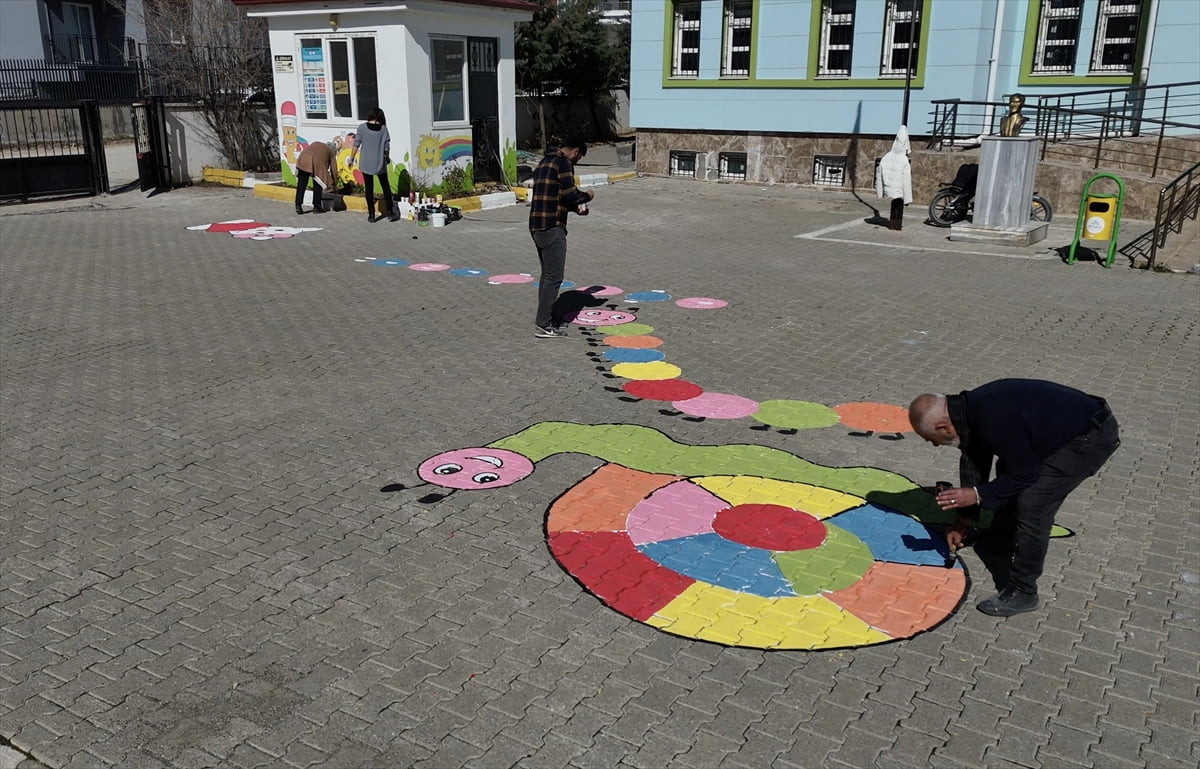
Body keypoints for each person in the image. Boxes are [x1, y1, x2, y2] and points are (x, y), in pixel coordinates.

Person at [908, 380, 1120, 617]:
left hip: (1090, 437)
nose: (935, 445)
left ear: (944, 427)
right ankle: (998, 540)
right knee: (1006, 473)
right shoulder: (969, 412)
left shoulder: (992, 418)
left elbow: (1026, 473)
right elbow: (975, 463)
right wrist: (962, 522)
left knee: (1033, 502)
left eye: (930, 439)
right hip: (1067, 429)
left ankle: (1024, 591)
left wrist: (978, 494)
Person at [528, 138, 594, 338]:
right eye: (579, 157)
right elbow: (571, 194)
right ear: (575, 151)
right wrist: (587, 196)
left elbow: (558, 196)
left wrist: (575, 210)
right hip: (552, 227)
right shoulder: (563, 163)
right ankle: (543, 324)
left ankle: (548, 317)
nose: (577, 161)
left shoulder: (544, 162)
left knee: (547, 275)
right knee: (554, 276)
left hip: (537, 226)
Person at [353, 108, 398, 223]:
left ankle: (372, 215)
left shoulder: (362, 128)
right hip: (379, 162)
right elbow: (386, 146)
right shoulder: (384, 130)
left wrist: (351, 157)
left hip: (366, 162)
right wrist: (386, 157)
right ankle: (390, 212)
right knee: (385, 186)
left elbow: (356, 143)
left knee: (369, 188)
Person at [876, 126, 912, 230]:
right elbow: (906, 180)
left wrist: (880, 192)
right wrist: (908, 198)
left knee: (894, 203)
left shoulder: (887, 157)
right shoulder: (904, 160)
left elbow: (879, 174)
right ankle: (897, 225)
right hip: (900, 189)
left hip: (890, 187)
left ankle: (892, 224)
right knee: (899, 204)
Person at [294, 140, 337, 215]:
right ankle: (317, 207)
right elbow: (334, 169)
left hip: (302, 159)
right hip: (316, 163)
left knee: (301, 185)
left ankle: (298, 205)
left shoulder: (316, 143)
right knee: (318, 184)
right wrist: (334, 184)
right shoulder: (330, 152)